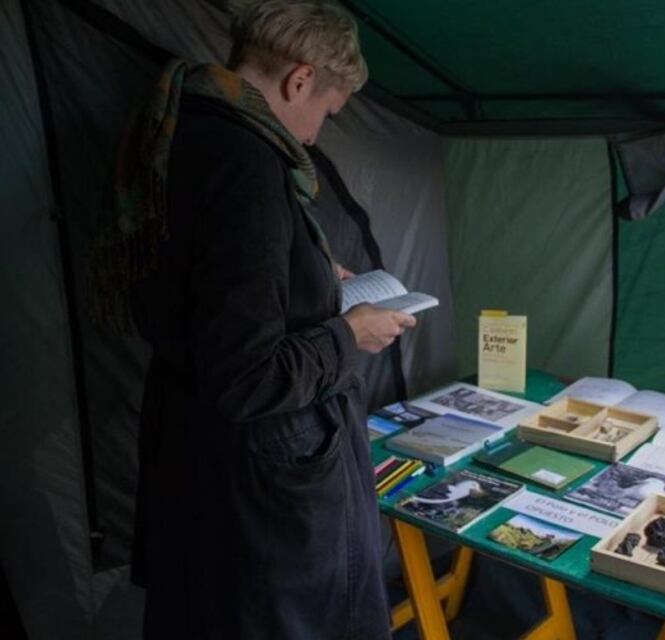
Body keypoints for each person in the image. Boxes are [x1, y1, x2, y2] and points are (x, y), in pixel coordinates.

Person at [90, 1, 415, 637]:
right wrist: (352, 333)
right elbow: (246, 374)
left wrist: (314, 274)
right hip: (260, 477)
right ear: (300, 79)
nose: (316, 135)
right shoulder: (248, 161)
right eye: (326, 112)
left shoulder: (176, 125)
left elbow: (212, 286)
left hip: (189, 446)